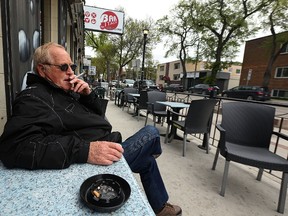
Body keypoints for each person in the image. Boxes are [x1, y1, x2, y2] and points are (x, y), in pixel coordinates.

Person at [0, 42, 181, 216]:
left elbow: (97, 117)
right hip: (94, 163)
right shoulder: (33, 97)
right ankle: (153, 155)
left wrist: (87, 95)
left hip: (107, 146)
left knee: (147, 161)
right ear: (42, 69)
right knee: (151, 133)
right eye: (63, 67)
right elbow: (14, 147)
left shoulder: (61, 89)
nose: (71, 72)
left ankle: (159, 208)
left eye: (72, 66)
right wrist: (85, 150)